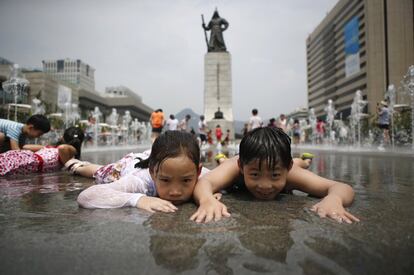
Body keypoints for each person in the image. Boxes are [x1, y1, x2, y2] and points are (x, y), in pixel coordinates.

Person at [190, 127, 359, 224]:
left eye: (275, 176)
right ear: (242, 167)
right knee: (225, 166)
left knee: (300, 167)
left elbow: (342, 187)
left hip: (291, 165)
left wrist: (334, 199)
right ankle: (223, 160)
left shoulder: (290, 172)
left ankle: (302, 161)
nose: (265, 185)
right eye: (255, 174)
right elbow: (205, 182)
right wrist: (206, 199)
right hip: (233, 163)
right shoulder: (236, 167)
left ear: (287, 169)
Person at [76, 131, 211, 212]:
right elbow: (86, 196)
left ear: (198, 172)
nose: (175, 191)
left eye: (186, 180)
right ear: (153, 173)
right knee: (101, 171)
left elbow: (225, 177)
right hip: (127, 165)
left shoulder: (201, 174)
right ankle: (75, 165)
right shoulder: (140, 181)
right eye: (165, 180)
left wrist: (208, 193)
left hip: (151, 158)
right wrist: (138, 199)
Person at [0, 126, 84, 176]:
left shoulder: (53, 148)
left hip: (26, 158)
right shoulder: (71, 151)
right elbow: (62, 148)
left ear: (63, 137)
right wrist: (68, 166)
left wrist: (45, 149)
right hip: (31, 161)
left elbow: (26, 147)